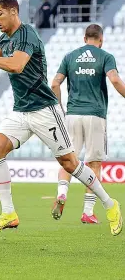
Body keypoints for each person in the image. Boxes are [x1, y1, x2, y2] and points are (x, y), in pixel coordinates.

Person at [0, 0, 122, 236]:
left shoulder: (28, 34)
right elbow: (6, 51)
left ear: (14, 11)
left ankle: (110, 205)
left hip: (44, 110)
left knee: (69, 163)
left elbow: (16, 65)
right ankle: (9, 213)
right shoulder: (7, 37)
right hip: (21, 111)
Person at [51, 24, 125, 223]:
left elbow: (55, 84)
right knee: (93, 163)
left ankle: (62, 193)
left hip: (72, 115)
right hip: (95, 115)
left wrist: (59, 109)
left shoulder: (70, 57)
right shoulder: (105, 56)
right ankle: (88, 212)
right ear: (101, 40)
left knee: (68, 159)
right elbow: (115, 80)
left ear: (85, 38)